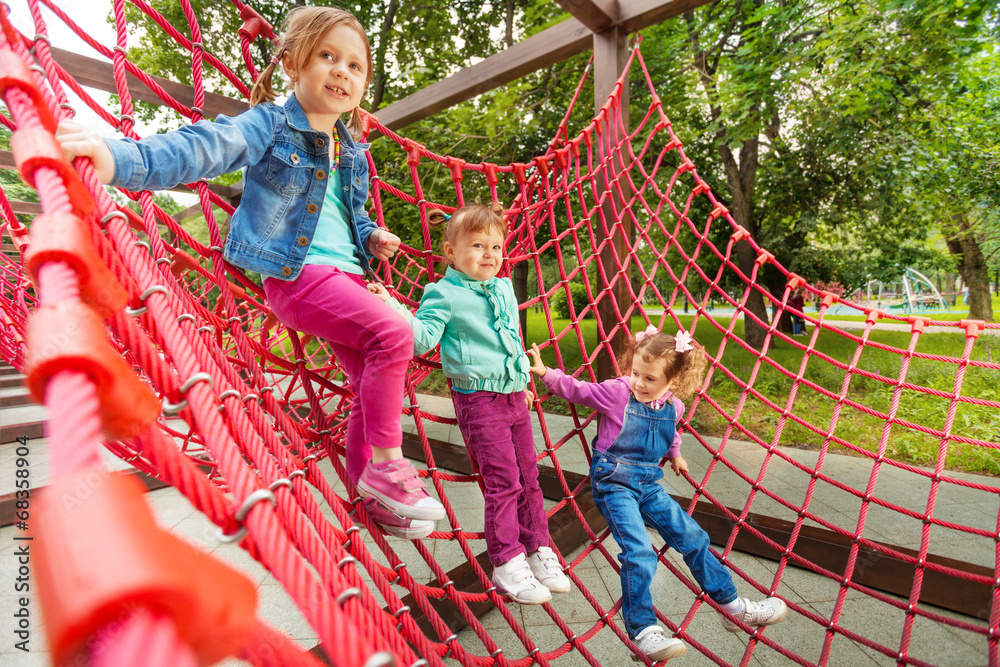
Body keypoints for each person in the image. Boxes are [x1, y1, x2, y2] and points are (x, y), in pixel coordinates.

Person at [56, 6, 444, 539]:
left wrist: (373, 235)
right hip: (299, 277)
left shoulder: (353, 150)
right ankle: (387, 468)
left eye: (355, 66)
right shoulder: (270, 125)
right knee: (396, 331)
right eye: (327, 56)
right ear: (291, 63)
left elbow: (351, 215)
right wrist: (117, 158)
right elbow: (206, 147)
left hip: (350, 278)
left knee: (371, 378)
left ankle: (371, 495)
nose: (342, 72)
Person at [527, 328, 786, 661]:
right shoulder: (618, 393)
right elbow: (580, 391)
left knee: (693, 536)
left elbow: (671, 430)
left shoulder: (673, 407)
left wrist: (675, 453)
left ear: (672, 383)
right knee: (639, 552)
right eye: (635, 372)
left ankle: (733, 607)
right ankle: (643, 632)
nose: (638, 382)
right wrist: (547, 373)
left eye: (649, 378)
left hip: (648, 485)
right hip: (614, 485)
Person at [369, 204, 570, 604]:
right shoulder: (444, 293)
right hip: (479, 401)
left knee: (530, 478)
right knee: (504, 482)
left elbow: (509, 338)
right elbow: (422, 338)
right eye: (477, 245)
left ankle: (538, 548)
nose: (489, 254)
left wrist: (520, 380)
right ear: (450, 251)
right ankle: (507, 561)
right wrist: (391, 305)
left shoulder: (503, 287)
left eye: (495, 246)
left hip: (514, 396)